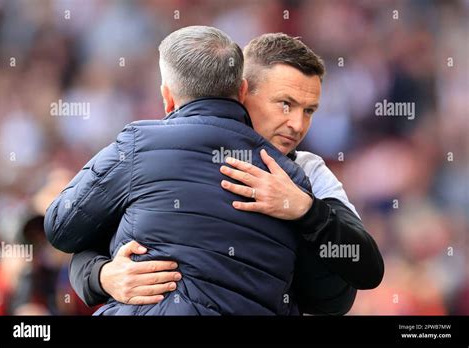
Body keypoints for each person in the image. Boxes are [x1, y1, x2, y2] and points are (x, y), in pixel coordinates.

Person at [67, 33, 384, 315]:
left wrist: (305, 210)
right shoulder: (164, 153)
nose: (298, 124)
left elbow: (365, 269)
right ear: (243, 93)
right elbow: (77, 241)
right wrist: (103, 276)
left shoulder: (308, 171)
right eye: (285, 104)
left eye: (309, 110)